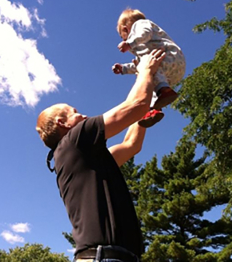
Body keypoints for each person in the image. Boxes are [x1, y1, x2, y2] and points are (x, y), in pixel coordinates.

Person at [36, 49, 165, 262]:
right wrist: (146, 70)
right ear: (62, 123)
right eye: (75, 112)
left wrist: (148, 97)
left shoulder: (85, 159)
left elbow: (131, 144)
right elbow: (134, 105)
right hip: (103, 258)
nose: (84, 115)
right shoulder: (75, 138)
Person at [112, 8, 186, 128]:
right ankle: (152, 110)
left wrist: (130, 43)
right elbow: (139, 66)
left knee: (150, 70)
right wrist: (124, 68)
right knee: (148, 82)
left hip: (170, 56)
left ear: (125, 29)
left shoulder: (140, 24)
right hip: (171, 73)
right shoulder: (143, 51)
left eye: (123, 37)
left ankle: (164, 91)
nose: (124, 41)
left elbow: (145, 33)